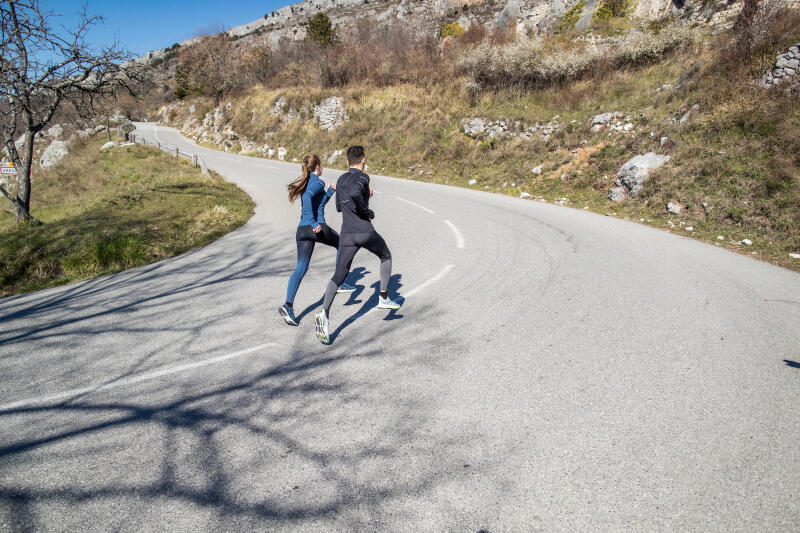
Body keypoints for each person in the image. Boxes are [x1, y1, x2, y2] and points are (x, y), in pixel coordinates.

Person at [314, 146, 401, 343]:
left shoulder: (341, 179)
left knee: (339, 274)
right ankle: (383, 297)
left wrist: (362, 197)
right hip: (364, 231)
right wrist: (366, 211)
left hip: (347, 235)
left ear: (346, 162)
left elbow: (338, 206)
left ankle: (324, 314)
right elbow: (354, 193)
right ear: (363, 160)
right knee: (385, 255)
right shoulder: (363, 177)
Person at [279, 154, 355, 326]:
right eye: (321, 165)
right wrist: (314, 223)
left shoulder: (309, 183)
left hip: (302, 231)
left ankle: (288, 305)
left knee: (301, 267)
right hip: (315, 227)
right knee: (342, 243)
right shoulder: (317, 181)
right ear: (318, 166)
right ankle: (341, 282)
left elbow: (318, 204)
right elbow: (306, 199)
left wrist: (330, 192)